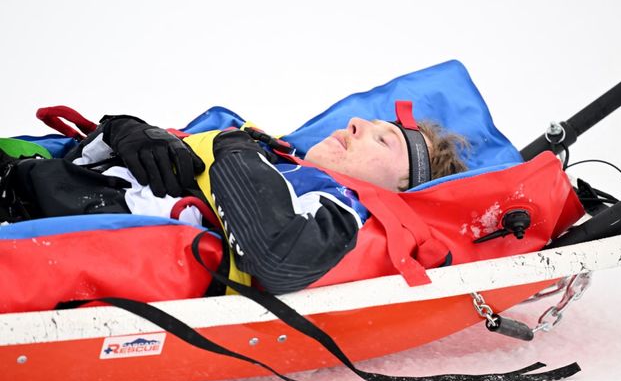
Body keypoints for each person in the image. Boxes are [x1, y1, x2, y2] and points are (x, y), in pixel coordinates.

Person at [0, 104, 468, 295]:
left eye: (385, 140)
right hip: (28, 181)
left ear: (399, 189)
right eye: (369, 123)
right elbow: (83, 158)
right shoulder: (275, 155)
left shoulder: (338, 208)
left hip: (30, 225)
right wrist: (126, 131)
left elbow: (281, 259)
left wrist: (232, 148)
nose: (356, 124)